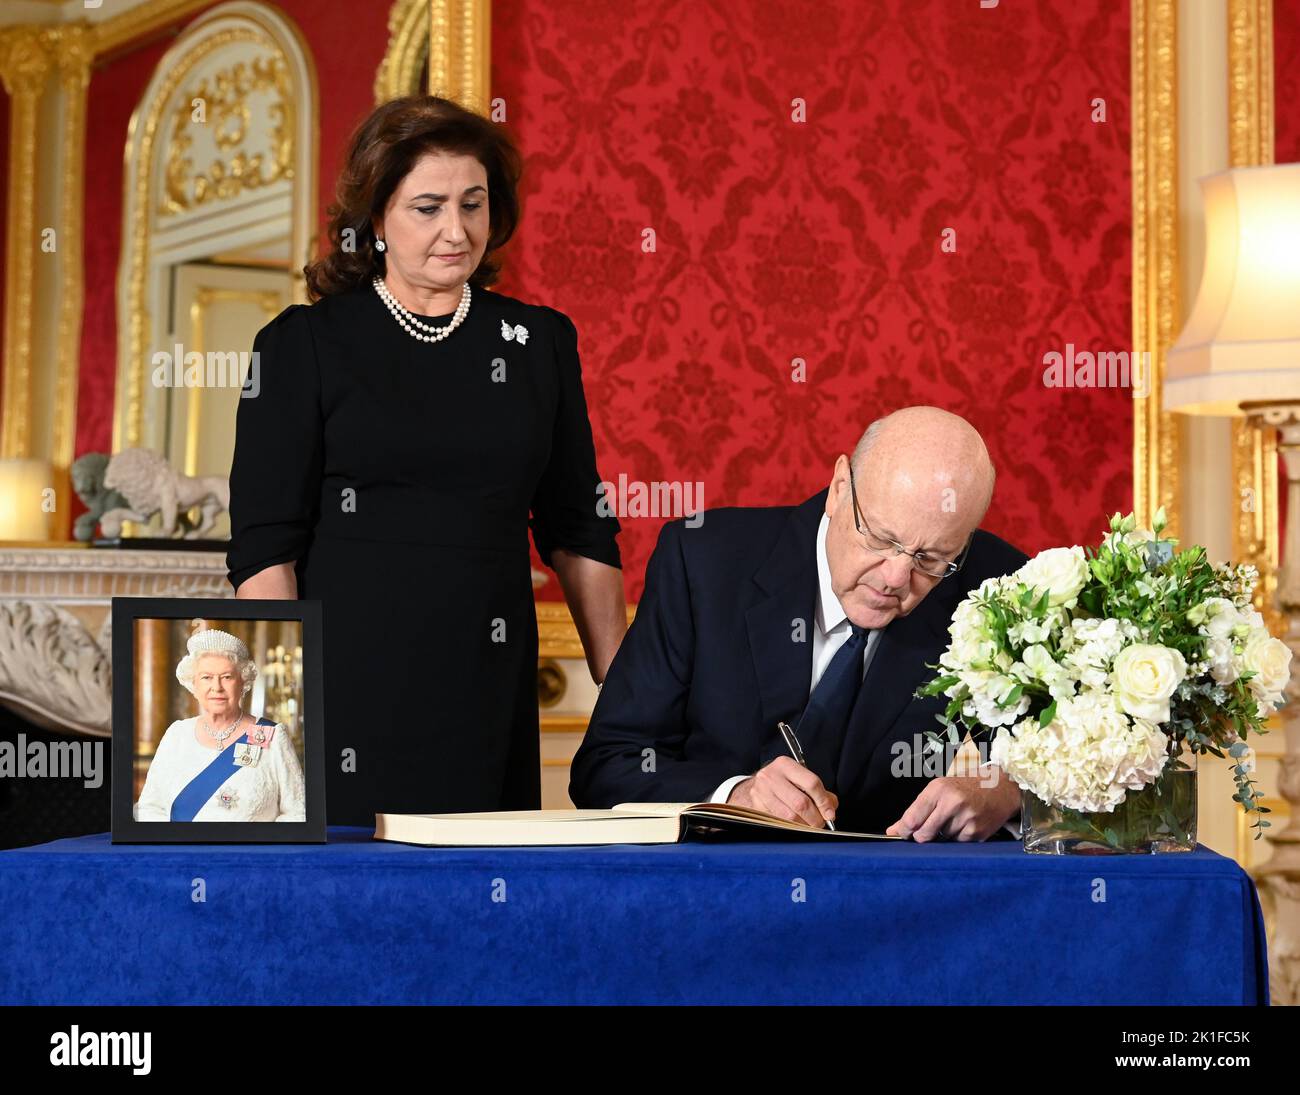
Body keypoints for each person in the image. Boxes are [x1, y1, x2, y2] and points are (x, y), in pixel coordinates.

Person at [226, 96, 625, 825]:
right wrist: (271, 718)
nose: (456, 230)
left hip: (487, 686)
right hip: (342, 691)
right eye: (429, 207)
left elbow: (578, 530)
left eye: (473, 205)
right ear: (375, 219)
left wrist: (630, 698)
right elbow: (264, 548)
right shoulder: (302, 345)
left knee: (474, 911)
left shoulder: (539, 345)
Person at [570, 406, 1028, 841]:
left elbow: (1080, 766)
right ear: (838, 487)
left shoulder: (998, 587)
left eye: (930, 559)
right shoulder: (704, 562)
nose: (894, 579)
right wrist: (734, 795)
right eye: (880, 538)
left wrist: (1010, 791)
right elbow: (607, 766)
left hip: (899, 895)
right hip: (721, 888)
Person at [136, 629, 304, 822]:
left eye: (227, 677)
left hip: (251, 852)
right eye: (206, 677)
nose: (216, 687)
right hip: (184, 851)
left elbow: (297, 813)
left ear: (243, 683)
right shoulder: (177, 734)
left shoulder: (270, 735)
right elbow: (149, 808)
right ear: (194, 685)